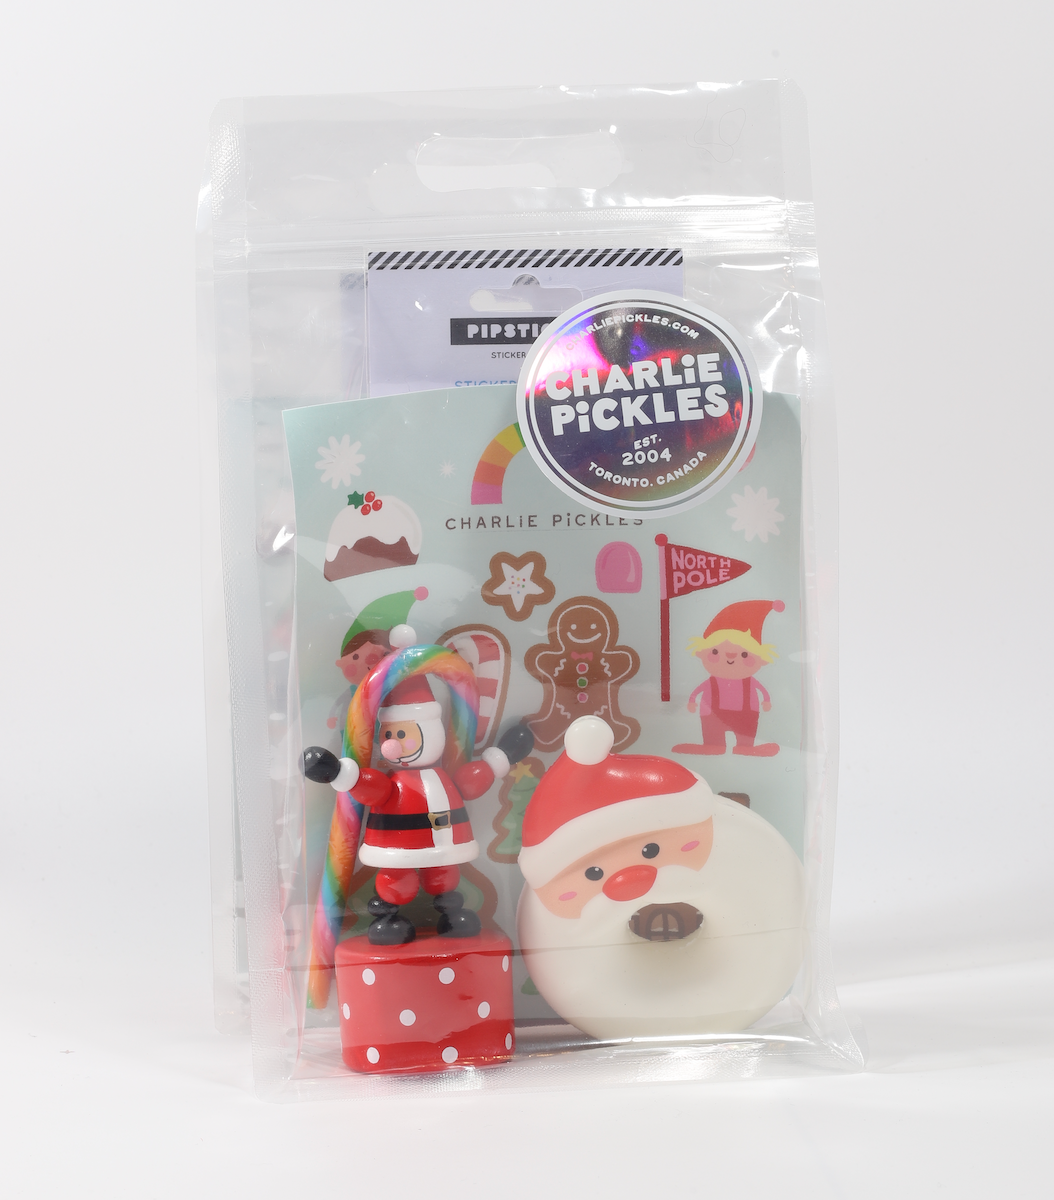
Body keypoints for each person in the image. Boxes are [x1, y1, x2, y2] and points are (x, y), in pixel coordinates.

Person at [675, 599, 784, 757]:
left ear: (761, 660)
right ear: (701, 653)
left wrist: (766, 701)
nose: (730, 657)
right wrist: (692, 701)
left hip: (745, 714)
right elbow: (698, 690)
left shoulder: (750, 682)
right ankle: (713, 745)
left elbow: (762, 691)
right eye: (715, 652)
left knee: (745, 731)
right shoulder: (712, 682)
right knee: (713, 731)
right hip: (712, 713)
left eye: (744, 654)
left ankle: (744, 747)